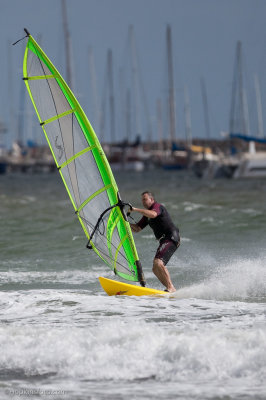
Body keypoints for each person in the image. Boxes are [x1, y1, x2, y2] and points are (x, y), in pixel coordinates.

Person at [129, 191, 180, 292]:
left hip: (171, 237)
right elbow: (137, 228)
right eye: (142, 200)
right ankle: (170, 289)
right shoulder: (146, 215)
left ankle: (170, 287)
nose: (143, 202)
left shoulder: (157, 206)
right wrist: (125, 222)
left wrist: (135, 209)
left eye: (145, 199)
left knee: (158, 263)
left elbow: (153, 214)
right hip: (164, 240)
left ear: (151, 199)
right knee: (155, 269)